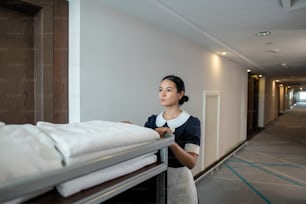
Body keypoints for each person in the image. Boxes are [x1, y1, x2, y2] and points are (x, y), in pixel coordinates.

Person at [145, 75, 201, 204]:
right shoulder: (152, 121)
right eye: (160, 90)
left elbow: (191, 162)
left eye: (168, 90)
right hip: (155, 179)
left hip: (180, 184)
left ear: (180, 94)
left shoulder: (191, 123)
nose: (162, 94)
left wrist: (171, 142)